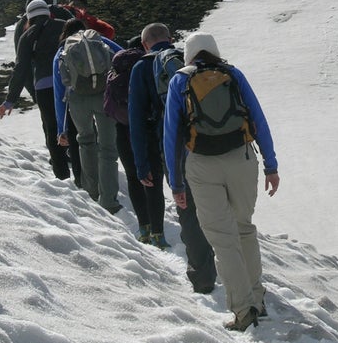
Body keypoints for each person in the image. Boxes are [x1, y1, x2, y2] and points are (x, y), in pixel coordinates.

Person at [164, 32, 279, 331]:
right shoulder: (233, 74)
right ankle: (258, 298)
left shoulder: (180, 80)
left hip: (201, 166)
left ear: (189, 55)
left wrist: (176, 183)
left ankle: (243, 310)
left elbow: (171, 135)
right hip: (241, 158)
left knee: (222, 240)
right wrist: (271, 164)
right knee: (244, 228)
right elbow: (258, 118)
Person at [129, 23, 217, 284]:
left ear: (145, 44)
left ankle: (201, 273)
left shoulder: (142, 67)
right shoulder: (187, 61)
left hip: (173, 148)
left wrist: (142, 164)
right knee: (214, 205)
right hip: (210, 144)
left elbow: (136, 120)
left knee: (187, 208)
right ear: (169, 38)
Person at [0, 0, 78, 181]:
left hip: (44, 86)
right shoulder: (63, 26)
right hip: (69, 83)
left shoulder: (26, 36)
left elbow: (20, 69)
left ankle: (61, 175)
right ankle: (81, 174)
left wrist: (10, 100)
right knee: (74, 125)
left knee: (51, 128)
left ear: (29, 16)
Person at [53, 18, 122, 213]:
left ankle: (91, 194)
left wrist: (61, 128)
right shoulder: (99, 41)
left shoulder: (61, 51)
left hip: (77, 99)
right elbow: (121, 54)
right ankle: (109, 200)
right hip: (104, 96)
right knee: (108, 148)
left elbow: (59, 93)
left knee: (85, 141)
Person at [103, 38, 156, 240]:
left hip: (122, 130)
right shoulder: (147, 66)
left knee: (134, 178)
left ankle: (144, 227)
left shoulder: (115, 69)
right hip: (147, 128)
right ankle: (157, 225)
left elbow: (107, 106)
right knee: (152, 177)